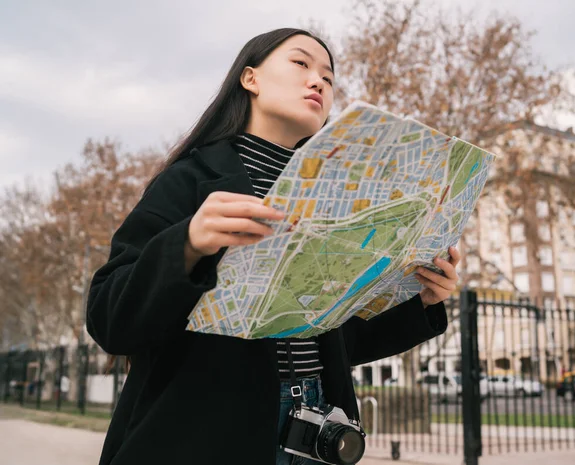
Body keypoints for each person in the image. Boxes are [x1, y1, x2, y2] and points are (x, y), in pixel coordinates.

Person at [86, 28, 461, 465]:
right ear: (250, 79)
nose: (319, 81)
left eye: (329, 77)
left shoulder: (343, 195)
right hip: (207, 432)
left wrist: (424, 299)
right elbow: (108, 318)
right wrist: (187, 244)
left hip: (319, 425)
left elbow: (336, 337)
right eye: (301, 64)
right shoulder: (189, 180)